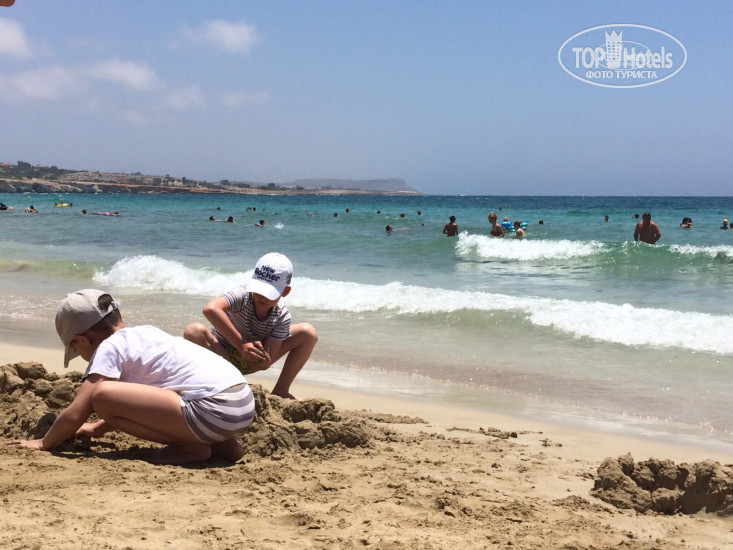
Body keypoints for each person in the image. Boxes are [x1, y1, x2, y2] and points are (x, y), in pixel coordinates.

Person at [7, 289, 255, 465]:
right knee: (119, 396)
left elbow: (78, 410)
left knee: (101, 396)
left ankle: (191, 447)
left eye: (76, 350)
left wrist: (44, 443)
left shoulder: (109, 347)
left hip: (212, 409)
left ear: (81, 340)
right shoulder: (147, 334)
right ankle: (225, 446)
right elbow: (145, 405)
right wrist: (98, 428)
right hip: (241, 404)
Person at [184, 253, 318, 400]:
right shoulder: (243, 295)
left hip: (250, 360)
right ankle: (214, 382)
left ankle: (281, 389)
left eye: (270, 292)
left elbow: (265, 363)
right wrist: (241, 344)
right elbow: (210, 309)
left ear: (285, 291)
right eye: (259, 289)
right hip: (221, 355)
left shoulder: (282, 316)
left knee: (308, 333)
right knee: (193, 330)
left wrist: (260, 356)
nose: (262, 296)